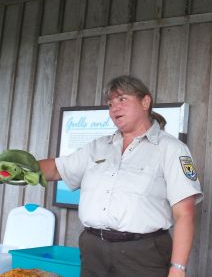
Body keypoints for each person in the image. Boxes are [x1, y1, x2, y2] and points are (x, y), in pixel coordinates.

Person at [40, 76, 203, 277]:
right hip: (93, 249)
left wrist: (178, 269)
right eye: (110, 104)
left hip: (143, 253)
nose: (114, 108)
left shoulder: (171, 149)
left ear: (145, 102)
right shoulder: (99, 146)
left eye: (122, 99)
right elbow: (56, 169)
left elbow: (185, 214)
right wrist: (13, 166)